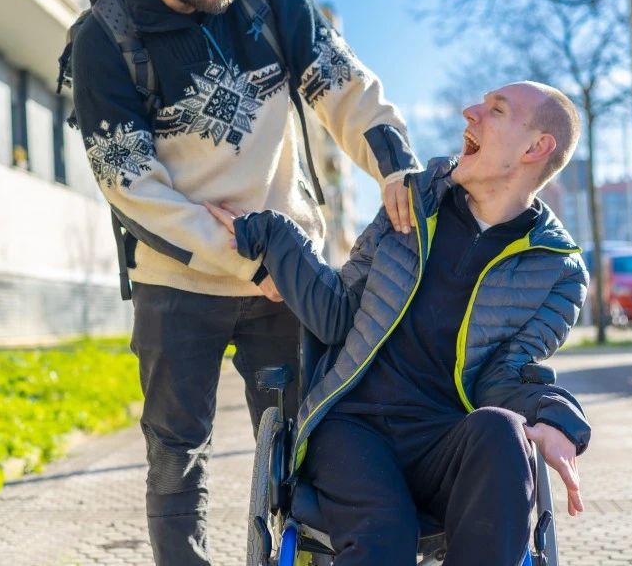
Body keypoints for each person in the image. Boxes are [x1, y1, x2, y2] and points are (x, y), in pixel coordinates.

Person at [70, 0, 421, 563]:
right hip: (179, 281)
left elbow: (343, 86)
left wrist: (394, 161)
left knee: (310, 447)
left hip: (287, 277)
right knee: (176, 455)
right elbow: (134, 189)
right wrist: (252, 265)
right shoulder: (103, 39)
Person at [207, 81, 592, 566]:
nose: (470, 111)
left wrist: (555, 417)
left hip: (442, 439)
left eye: (495, 110)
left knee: (504, 431)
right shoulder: (411, 205)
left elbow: (506, 374)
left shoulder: (558, 271)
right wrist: (275, 235)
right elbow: (337, 315)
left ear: (537, 147)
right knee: (384, 532)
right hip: (354, 428)